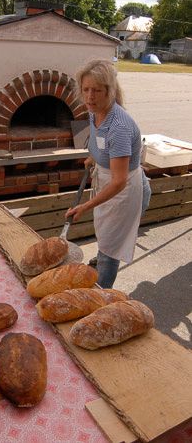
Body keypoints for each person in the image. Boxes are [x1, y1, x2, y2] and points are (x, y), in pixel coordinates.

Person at [65, 59, 151, 288]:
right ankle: (102, 258)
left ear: (109, 91)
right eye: (86, 90)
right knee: (106, 234)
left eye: (97, 90)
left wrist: (84, 206)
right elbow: (99, 140)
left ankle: (101, 293)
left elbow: (120, 181)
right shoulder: (95, 112)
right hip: (109, 180)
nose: (90, 97)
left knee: (112, 245)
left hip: (122, 189)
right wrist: (94, 157)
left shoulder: (119, 126)